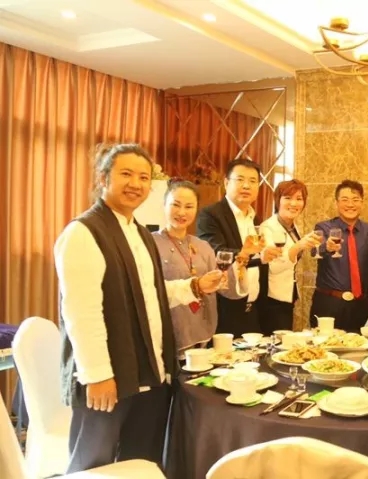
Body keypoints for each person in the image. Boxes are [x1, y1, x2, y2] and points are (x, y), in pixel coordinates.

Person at [55, 144, 223, 473]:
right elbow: (81, 314)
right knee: (94, 464)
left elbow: (150, 294)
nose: (136, 183)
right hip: (108, 375)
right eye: (126, 174)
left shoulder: (139, 233)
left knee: (142, 459)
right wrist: (98, 375)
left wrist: (193, 287)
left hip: (147, 370)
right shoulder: (84, 232)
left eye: (144, 177)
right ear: (104, 178)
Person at [153, 178, 247, 356]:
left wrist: (240, 263)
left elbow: (226, 289)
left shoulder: (203, 246)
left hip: (204, 335)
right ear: (164, 205)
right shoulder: (151, 244)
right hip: (168, 338)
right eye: (176, 205)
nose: (182, 212)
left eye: (189, 206)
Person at [196, 158, 282, 336]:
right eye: (240, 179)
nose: (246, 186)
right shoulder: (210, 215)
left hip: (253, 308)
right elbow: (215, 253)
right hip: (224, 309)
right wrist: (247, 254)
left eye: (252, 181)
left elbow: (256, 260)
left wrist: (263, 257)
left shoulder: (255, 219)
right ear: (226, 183)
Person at [310, 180, 368, 333]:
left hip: (360, 306)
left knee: (358, 345)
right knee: (324, 345)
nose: (350, 204)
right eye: (345, 200)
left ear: (362, 203)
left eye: (355, 200)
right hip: (329, 304)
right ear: (336, 203)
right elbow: (314, 252)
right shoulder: (323, 227)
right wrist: (326, 247)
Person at [258, 180, 321, 334]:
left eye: (299, 199)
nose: (294, 203)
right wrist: (298, 246)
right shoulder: (268, 227)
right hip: (272, 298)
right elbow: (273, 266)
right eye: (287, 198)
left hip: (288, 294)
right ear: (277, 200)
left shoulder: (292, 227)